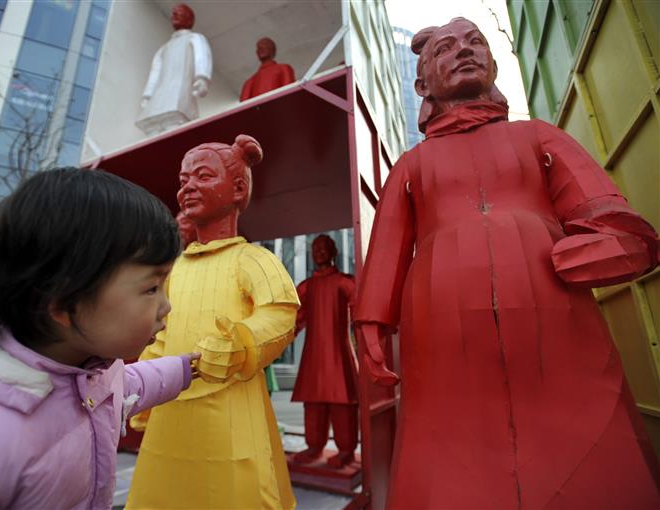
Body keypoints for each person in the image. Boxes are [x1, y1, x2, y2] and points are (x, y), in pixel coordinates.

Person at [355, 17, 660, 509]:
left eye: (475, 42)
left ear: (494, 65)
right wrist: (371, 320)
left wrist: (602, 250)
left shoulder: (538, 137)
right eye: (446, 49)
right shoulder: (411, 166)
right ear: (422, 85)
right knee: (445, 445)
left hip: (561, 327)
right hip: (440, 337)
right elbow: (387, 247)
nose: (464, 51)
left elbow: (619, 223)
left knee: (595, 448)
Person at [0, 168, 199, 509]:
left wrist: (184, 368)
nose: (166, 306)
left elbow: (126, 387)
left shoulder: (86, 368)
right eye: (152, 288)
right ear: (64, 303)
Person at [126, 135, 299, 509]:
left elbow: (280, 314)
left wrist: (241, 343)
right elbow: (161, 334)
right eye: (184, 179)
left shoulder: (253, 259)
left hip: (233, 415)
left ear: (238, 189)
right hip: (171, 412)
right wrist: (143, 389)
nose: (188, 187)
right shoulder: (175, 269)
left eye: (203, 176)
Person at [291, 234, 357, 468]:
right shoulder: (306, 287)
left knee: (343, 403)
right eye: (315, 248)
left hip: (340, 355)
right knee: (313, 403)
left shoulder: (345, 283)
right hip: (314, 357)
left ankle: (346, 450)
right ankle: (314, 447)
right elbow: (293, 319)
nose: (318, 251)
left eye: (323, 247)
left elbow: (360, 311)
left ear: (333, 252)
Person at [136, 3, 212, 135]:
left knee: (175, 122)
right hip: (160, 93)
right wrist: (147, 95)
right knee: (153, 125)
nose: (175, 15)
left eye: (180, 12)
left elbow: (202, 56)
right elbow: (155, 73)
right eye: (174, 13)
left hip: (180, 89)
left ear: (189, 19)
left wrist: (202, 78)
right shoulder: (164, 48)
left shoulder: (194, 38)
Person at [240, 37, 296, 101]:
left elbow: (289, 94)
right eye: (258, 48)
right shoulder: (250, 82)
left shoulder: (284, 68)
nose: (260, 48)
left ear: (272, 49)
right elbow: (244, 104)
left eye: (265, 45)